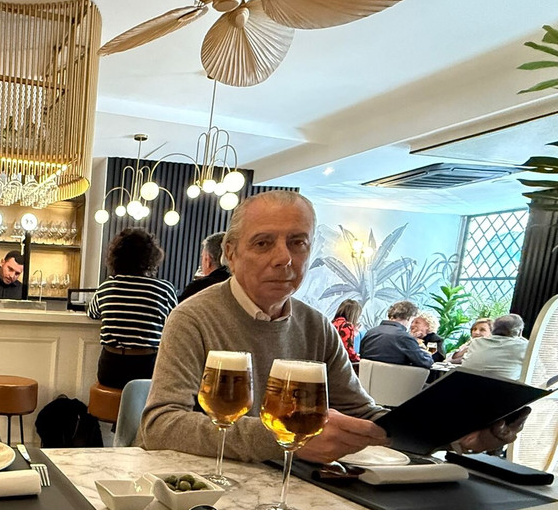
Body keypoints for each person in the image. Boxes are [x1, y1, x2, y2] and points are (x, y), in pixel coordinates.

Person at [138, 190, 527, 464]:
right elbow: (159, 426)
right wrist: (285, 439)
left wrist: (456, 435)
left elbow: (363, 415)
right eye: (263, 243)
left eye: (298, 243)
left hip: (293, 493)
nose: (284, 258)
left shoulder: (315, 325)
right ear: (231, 253)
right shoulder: (193, 317)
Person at [87, 228, 178, 389]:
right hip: (146, 368)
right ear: (152, 258)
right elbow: (174, 322)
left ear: (116, 256)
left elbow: (92, 313)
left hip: (111, 369)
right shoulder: (164, 290)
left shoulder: (107, 286)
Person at [359, 300, 434, 370]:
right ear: (409, 318)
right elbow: (425, 362)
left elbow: (362, 356)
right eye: (413, 321)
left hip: (367, 378)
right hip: (397, 378)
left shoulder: (370, 333)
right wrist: (426, 353)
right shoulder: (405, 338)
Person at [460, 314, 528, 381]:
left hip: (466, 384)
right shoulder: (524, 346)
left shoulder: (475, 342)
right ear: (520, 332)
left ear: (493, 329)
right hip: (502, 387)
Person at [179, 231, 230, 302]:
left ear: (207, 260)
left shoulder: (198, 288)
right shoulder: (238, 285)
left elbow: (178, 307)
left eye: (202, 257)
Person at [331, 299, 362, 363]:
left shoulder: (332, 323)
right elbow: (349, 352)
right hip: (339, 363)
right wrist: (360, 361)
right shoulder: (346, 326)